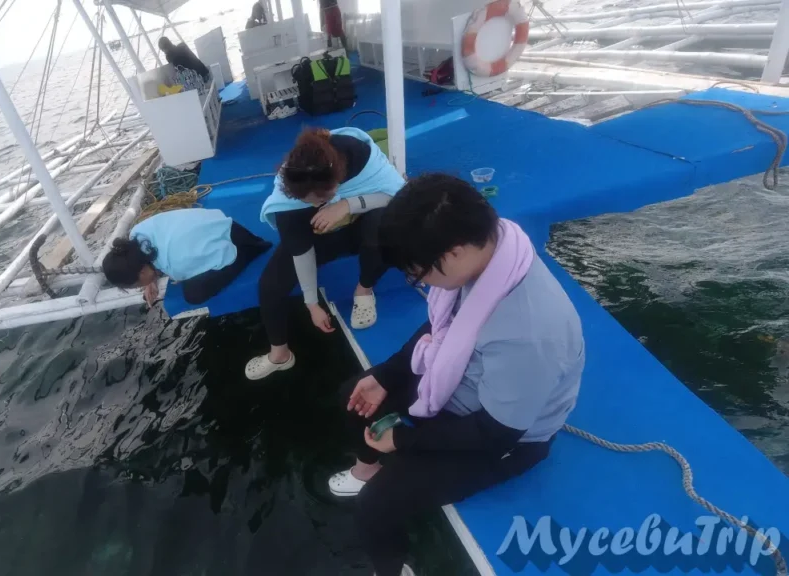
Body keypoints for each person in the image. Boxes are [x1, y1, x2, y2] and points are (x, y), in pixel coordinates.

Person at [328, 174, 585, 576]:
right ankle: (368, 468)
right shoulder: (492, 250)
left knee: (377, 505)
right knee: (355, 396)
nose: (419, 282)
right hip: (460, 385)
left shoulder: (528, 331)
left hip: (505, 438)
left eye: (418, 272)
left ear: (455, 252)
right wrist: (386, 375)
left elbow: (496, 432)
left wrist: (404, 440)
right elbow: (441, 327)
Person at [244, 127, 405, 380]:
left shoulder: (360, 155)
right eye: (306, 201)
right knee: (269, 285)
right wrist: (311, 303)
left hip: (361, 222)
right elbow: (300, 249)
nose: (312, 205)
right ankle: (280, 354)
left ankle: (364, 289)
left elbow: (397, 194)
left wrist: (346, 204)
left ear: (337, 181)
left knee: (383, 225)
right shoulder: (289, 190)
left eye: (318, 200)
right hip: (322, 235)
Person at [102, 208, 271, 306]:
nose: (141, 286)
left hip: (234, 240)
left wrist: (153, 277)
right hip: (218, 220)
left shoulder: (177, 266)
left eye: (138, 284)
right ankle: (253, 244)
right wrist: (150, 280)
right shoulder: (137, 233)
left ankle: (252, 251)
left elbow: (224, 256)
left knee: (193, 294)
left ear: (141, 272)